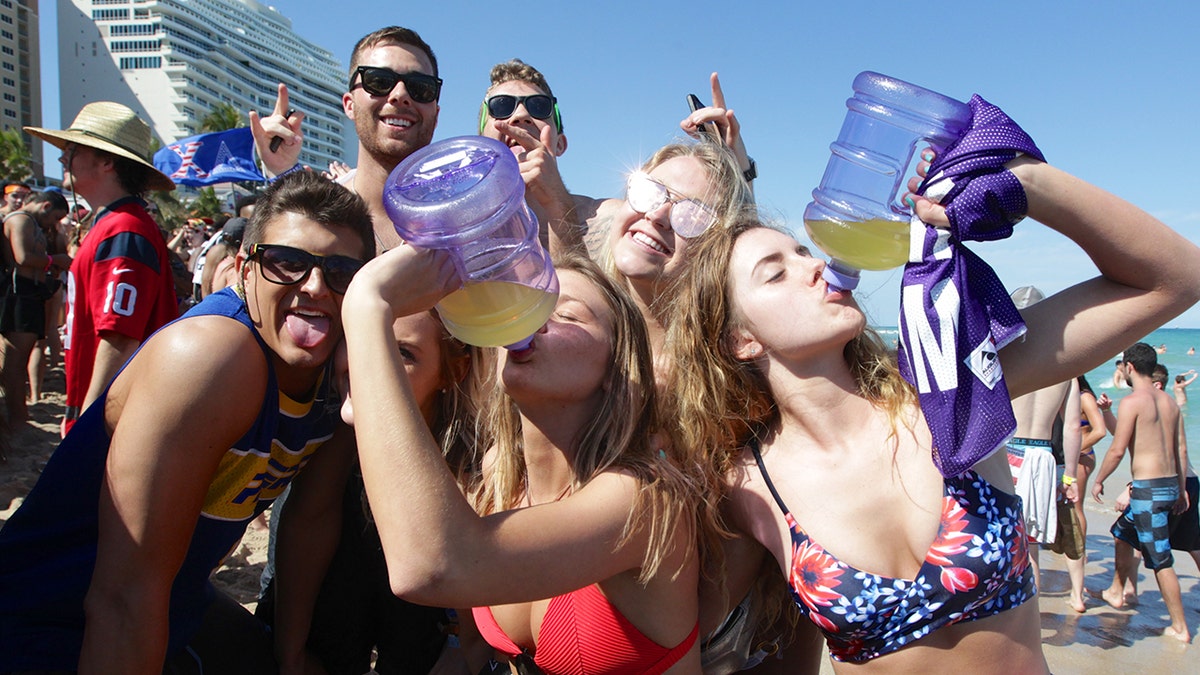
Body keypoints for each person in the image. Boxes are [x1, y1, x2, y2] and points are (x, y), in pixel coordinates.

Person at [662, 138, 1200, 669]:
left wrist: (1024, 181)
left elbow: (1173, 279)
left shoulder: (949, 391)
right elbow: (703, 646)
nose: (818, 267)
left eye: (804, 252)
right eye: (777, 272)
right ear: (741, 341)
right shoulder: (745, 483)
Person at [0, 171, 374, 673]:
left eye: (342, 272)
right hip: (47, 612)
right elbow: (122, 598)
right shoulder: (209, 358)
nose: (314, 287)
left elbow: (310, 517)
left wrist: (286, 655)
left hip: (172, 599)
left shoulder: (341, 370)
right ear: (243, 270)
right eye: (287, 262)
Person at [340, 250, 704, 674]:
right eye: (524, 303)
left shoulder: (641, 499)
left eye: (566, 315)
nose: (531, 319)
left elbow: (429, 567)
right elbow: (474, 650)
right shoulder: (498, 478)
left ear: (614, 367)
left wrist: (368, 306)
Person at [262, 309, 486, 675]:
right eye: (358, 337)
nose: (369, 363)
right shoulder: (331, 431)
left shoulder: (471, 465)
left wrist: (463, 647)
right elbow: (308, 522)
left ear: (453, 372)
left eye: (402, 352)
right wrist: (289, 654)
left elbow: (474, 630)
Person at [23, 101, 180, 436]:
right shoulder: (116, 224)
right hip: (113, 410)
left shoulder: (125, 228)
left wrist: (88, 424)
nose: (63, 158)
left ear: (107, 161)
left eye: (73, 149)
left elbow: (120, 336)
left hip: (118, 417)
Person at [252, 25, 441, 251]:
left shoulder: (464, 219)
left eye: (420, 87)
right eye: (379, 81)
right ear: (349, 105)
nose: (400, 95)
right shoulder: (315, 212)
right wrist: (281, 173)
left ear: (436, 114)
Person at [1091, 343, 1190, 641]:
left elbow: (1118, 449)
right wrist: (1182, 490)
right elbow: (1181, 449)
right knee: (1121, 531)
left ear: (1130, 367)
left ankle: (1179, 627)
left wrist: (1099, 479)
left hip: (1148, 491)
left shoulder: (1133, 402)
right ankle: (1118, 592)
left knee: (1161, 560)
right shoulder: (1170, 402)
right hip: (1170, 485)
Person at [1003, 287, 1084, 611]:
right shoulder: (1065, 367)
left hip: (1009, 452)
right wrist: (1071, 478)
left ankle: (1012, 622)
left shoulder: (1006, 357)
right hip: (1043, 458)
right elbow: (1073, 427)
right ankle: (1030, 622)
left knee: (1005, 546)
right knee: (1031, 548)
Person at [0, 190, 71, 424]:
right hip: (20, 294)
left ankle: (18, 416)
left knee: (19, 358)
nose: (53, 224)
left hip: (28, 293)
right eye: (54, 217)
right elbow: (21, 257)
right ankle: (18, 418)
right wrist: (55, 260)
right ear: (46, 206)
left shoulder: (29, 222)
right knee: (15, 361)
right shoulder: (20, 220)